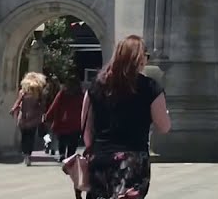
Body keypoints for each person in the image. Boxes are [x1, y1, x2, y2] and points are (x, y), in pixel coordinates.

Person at [83, 35, 172, 198]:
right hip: (132, 160)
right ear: (140, 59)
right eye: (146, 56)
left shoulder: (95, 86)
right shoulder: (150, 87)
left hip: (100, 158)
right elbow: (164, 127)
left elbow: (86, 129)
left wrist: (94, 150)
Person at [9, 72, 47, 166]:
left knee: (25, 136)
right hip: (33, 117)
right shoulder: (38, 93)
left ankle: (26, 154)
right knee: (30, 137)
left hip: (24, 117)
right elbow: (42, 105)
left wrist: (14, 109)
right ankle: (27, 154)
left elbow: (18, 102)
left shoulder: (23, 92)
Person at [45, 77, 85, 162]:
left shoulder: (63, 93)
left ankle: (62, 154)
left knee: (62, 139)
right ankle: (71, 156)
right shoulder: (81, 94)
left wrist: (48, 116)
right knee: (73, 141)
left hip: (63, 120)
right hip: (76, 122)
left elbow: (55, 104)